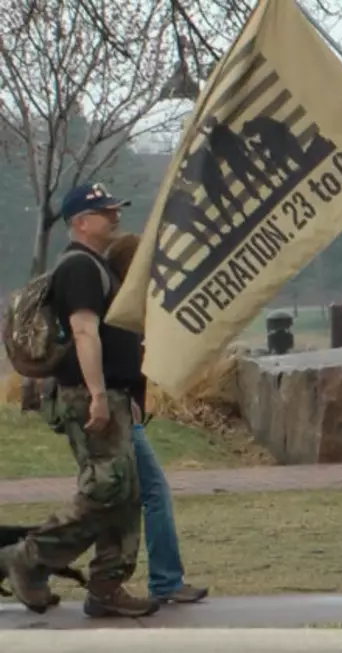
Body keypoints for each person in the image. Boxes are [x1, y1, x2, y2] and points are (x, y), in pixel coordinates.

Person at [0, 183, 157, 618]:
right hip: (87, 394)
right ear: (81, 223)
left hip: (112, 393)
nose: (115, 217)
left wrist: (125, 391)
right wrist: (97, 395)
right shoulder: (80, 269)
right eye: (105, 212)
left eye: (114, 209)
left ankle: (107, 586)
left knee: (124, 495)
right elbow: (85, 333)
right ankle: (27, 557)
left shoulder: (97, 266)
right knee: (105, 491)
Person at [103, 234, 209, 605]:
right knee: (153, 493)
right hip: (119, 413)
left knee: (115, 497)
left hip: (120, 410)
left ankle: (108, 582)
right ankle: (165, 581)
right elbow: (122, 362)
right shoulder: (118, 309)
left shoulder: (118, 305)